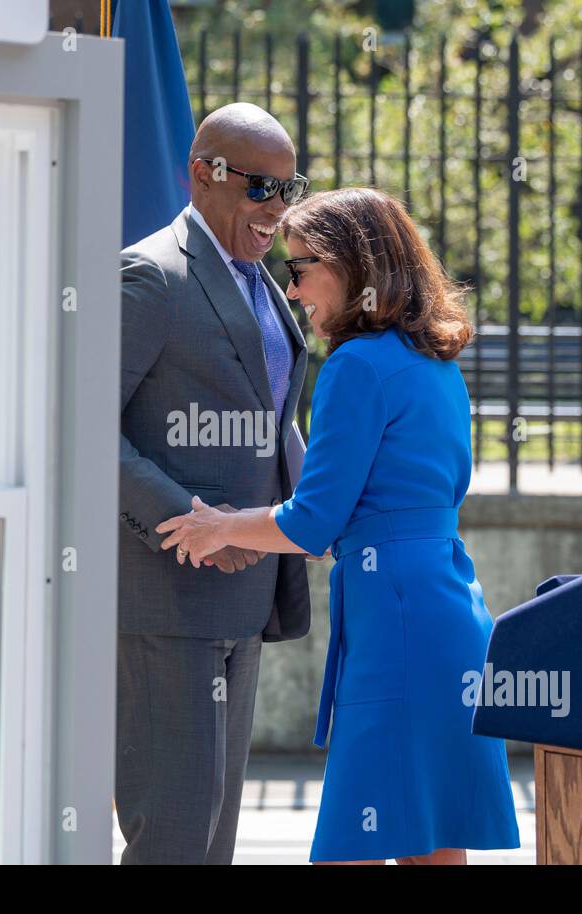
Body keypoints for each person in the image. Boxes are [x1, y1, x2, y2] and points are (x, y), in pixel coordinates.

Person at [158, 187, 521, 865]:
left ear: (353, 266)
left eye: (299, 270)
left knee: (354, 846)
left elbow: (314, 521)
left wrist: (222, 526)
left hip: (397, 627)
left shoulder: (355, 365)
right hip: (450, 609)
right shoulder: (437, 363)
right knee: (432, 845)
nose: (292, 292)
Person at [116, 102, 313, 864]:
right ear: (203, 173)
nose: (277, 208)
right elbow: (80, 427)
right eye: (260, 187)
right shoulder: (152, 275)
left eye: (288, 188)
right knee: (172, 838)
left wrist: (313, 511)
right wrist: (190, 523)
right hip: (167, 598)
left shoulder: (262, 282)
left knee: (213, 843)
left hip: (245, 595)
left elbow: (272, 420)